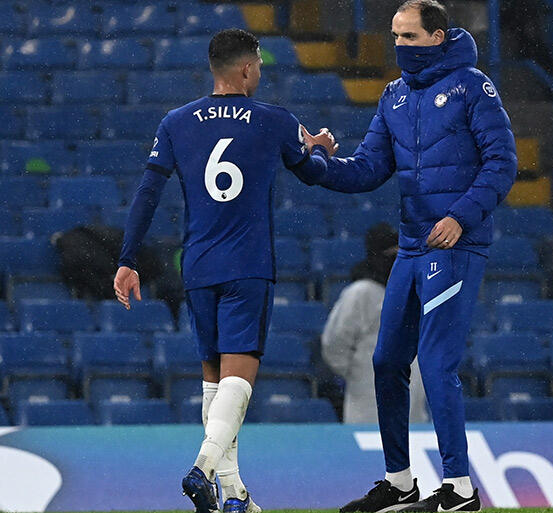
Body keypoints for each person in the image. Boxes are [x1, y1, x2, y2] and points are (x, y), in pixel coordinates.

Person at [302, 1, 517, 511]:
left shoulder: (473, 86)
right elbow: (367, 169)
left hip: (455, 244)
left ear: (438, 36)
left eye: (410, 36)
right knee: (386, 361)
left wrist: (460, 217)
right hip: (413, 244)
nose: (400, 45)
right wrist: (317, 162)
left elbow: (502, 162)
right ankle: (400, 481)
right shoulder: (394, 96)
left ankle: (459, 488)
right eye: (395, 36)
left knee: (437, 362)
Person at [112, 29, 331, 513]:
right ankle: (202, 469)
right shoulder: (275, 120)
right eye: (260, 66)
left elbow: (148, 193)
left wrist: (127, 259)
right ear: (247, 68)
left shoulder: (176, 122)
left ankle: (234, 496)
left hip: (199, 264)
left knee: (214, 382)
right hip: (248, 264)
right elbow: (313, 173)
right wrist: (319, 147)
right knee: (240, 378)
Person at [322, 223, 428, 424]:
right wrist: (361, 373)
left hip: (413, 410)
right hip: (368, 408)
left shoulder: (414, 294)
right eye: (390, 255)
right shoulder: (360, 293)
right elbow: (334, 345)